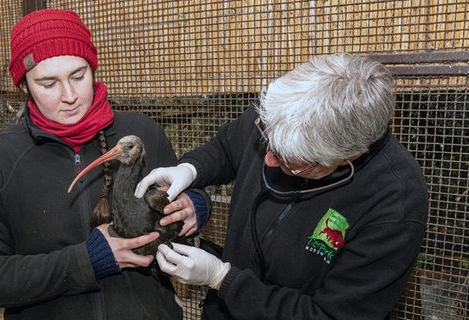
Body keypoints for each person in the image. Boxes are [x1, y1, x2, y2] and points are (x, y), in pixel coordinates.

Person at [0, 8, 211, 319]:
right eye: (49, 84)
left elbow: (173, 207)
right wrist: (87, 261)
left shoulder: (142, 135)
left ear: (93, 68)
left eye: (78, 76)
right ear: (24, 87)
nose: (70, 95)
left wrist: (196, 205)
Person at [136, 53, 429, 319]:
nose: (268, 160)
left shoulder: (395, 201)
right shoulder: (281, 111)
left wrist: (223, 278)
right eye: (267, 139)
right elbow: (227, 147)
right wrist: (190, 169)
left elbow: (329, 315)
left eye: (289, 160)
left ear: (346, 158)